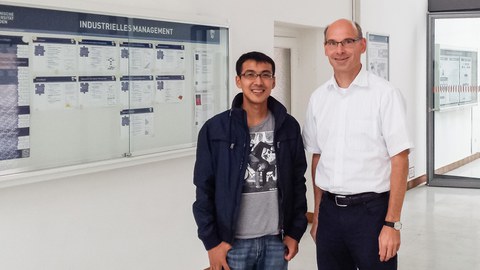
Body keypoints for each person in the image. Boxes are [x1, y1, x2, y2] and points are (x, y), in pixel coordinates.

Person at [302, 19, 414, 270]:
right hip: (330, 213)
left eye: (347, 42)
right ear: (325, 48)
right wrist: (318, 215)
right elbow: (318, 157)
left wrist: (392, 224)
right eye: (332, 43)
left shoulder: (385, 94)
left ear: (362, 45)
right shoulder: (318, 98)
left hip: (371, 214)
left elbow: (400, 159)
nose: (339, 50)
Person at [193, 51, 308, 270]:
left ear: (273, 81)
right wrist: (212, 243)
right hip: (232, 243)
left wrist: (294, 232)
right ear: (239, 80)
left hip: (276, 241)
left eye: (265, 75)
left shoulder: (288, 126)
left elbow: (297, 182)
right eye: (250, 74)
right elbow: (203, 190)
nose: (258, 81)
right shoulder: (215, 129)